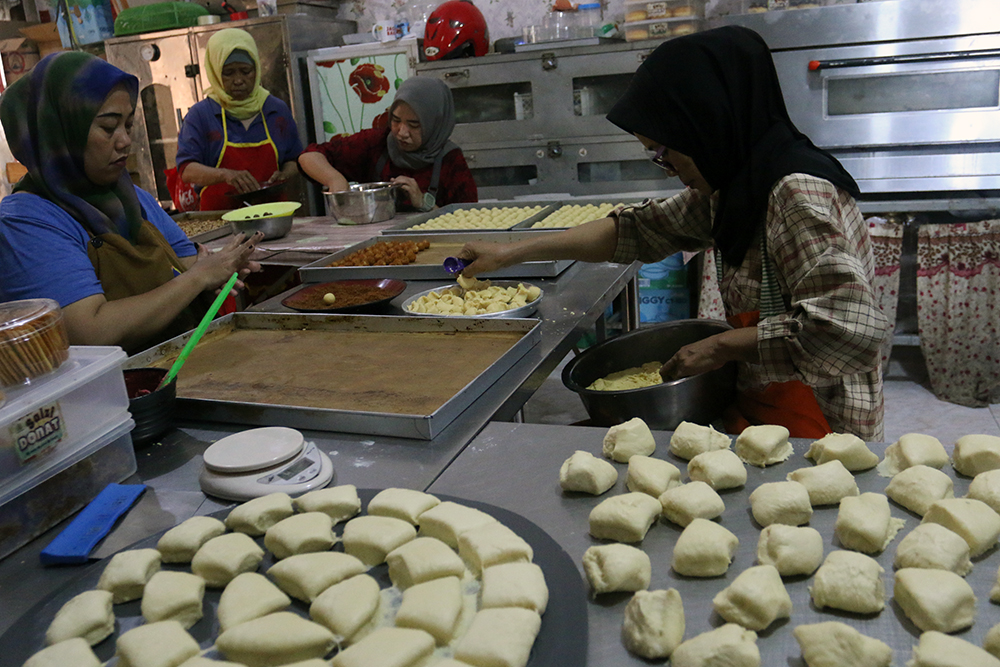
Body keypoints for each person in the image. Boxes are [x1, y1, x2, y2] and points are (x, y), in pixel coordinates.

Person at [457, 26, 889, 441]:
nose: (669, 168)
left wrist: (721, 346)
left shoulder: (793, 194)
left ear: (707, 125)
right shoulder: (737, 184)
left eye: (666, 152)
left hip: (824, 423)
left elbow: (850, 332)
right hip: (768, 401)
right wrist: (510, 253)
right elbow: (638, 230)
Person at [0, 51, 261, 353]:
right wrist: (199, 278)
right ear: (60, 131)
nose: (125, 140)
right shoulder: (26, 222)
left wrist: (222, 267)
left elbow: (189, 265)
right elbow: (91, 331)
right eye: (109, 127)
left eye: (128, 125)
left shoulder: (131, 197)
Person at [298, 76, 477, 212]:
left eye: (414, 125)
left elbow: (470, 223)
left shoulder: (451, 160)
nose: (401, 132)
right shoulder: (376, 143)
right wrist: (335, 179)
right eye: (396, 120)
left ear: (435, 124)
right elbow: (309, 156)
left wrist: (424, 202)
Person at [176, 28, 303, 211]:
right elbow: (187, 170)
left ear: (256, 69)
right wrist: (225, 175)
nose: (238, 80)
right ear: (215, 72)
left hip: (274, 214)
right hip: (220, 220)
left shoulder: (276, 110)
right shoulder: (201, 115)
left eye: (245, 71)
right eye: (228, 73)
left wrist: (285, 174)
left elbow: (295, 159)